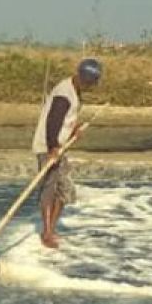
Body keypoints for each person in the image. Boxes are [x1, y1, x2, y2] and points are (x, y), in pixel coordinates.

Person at [31, 57, 102, 249]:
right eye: (88, 83)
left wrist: (73, 130)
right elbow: (52, 121)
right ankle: (47, 233)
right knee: (50, 188)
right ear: (80, 76)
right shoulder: (64, 93)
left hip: (59, 146)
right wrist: (53, 148)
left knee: (64, 190)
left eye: (92, 83)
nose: (89, 86)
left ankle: (50, 230)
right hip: (48, 146)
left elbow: (65, 120)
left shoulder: (75, 90)